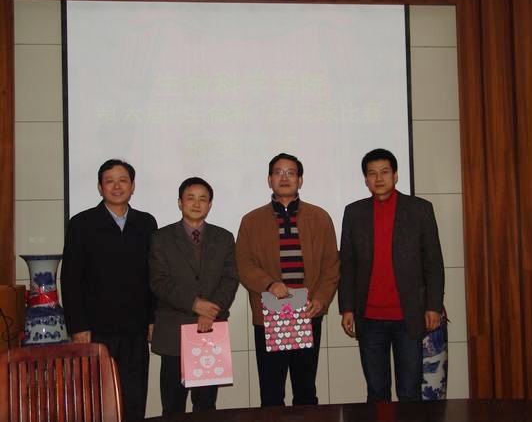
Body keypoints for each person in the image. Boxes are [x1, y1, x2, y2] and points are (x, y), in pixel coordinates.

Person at [338, 148, 445, 402]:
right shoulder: (354, 213)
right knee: (377, 391)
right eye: (372, 173)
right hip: (369, 318)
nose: (379, 178)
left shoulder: (420, 209)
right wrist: (347, 308)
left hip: (409, 316)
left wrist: (433, 306)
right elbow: (348, 265)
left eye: (384, 172)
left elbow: (433, 263)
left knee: (409, 391)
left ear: (395, 175)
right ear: (365, 179)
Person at [236, 153, 340, 407]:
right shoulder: (251, 221)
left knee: (305, 391)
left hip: (307, 313)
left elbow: (331, 266)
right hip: (269, 316)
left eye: (291, 172)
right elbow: (243, 264)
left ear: (300, 180)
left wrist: (321, 300)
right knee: (271, 394)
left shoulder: (320, 218)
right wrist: (269, 284)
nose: (284, 178)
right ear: (269, 180)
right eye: (278, 172)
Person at [61, 159, 158, 422]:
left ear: (133, 186)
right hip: (96, 329)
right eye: (109, 181)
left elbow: (154, 275)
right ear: (100, 187)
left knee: (134, 397)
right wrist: (78, 325)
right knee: (98, 398)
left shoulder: (146, 222)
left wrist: (153, 318)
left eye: (123, 180)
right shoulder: (82, 223)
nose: (117, 187)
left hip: (136, 328)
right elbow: (70, 279)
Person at [149, 177, 238, 415]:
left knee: (206, 406)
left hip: (210, 331)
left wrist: (211, 311)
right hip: (173, 334)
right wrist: (195, 304)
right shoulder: (161, 238)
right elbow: (159, 282)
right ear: (180, 202)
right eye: (190, 198)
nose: (196, 204)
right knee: (172, 407)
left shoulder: (224, 237)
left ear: (210, 205)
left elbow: (230, 279)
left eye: (203, 199)